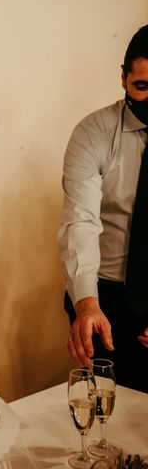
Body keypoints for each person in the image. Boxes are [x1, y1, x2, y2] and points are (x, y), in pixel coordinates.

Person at [57, 25, 148, 393]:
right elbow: (81, 221)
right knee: (109, 405)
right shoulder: (93, 133)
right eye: (142, 86)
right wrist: (87, 304)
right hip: (104, 294)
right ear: (123, 78)